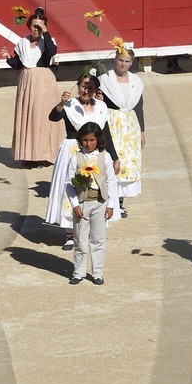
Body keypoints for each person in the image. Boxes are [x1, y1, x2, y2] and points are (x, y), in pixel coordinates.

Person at [43, 75, 116, 250]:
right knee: (71, 188)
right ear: (78, 87)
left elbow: (105, 132)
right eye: (84, 86)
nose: (86, 90)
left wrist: (114, 157)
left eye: (90, 87)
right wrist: (61, 103)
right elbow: (53, 117)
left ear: (95, 90)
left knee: (94, 188)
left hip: (96, 152)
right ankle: (70, 234)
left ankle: (91, 230)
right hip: (72, 151)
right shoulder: (69, 105)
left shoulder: (100, 107)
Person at [61, 122, 118, 285]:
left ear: (98, 140)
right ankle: (78, 272)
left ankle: (97, 273)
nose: (88, 143)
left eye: (92, 140)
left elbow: (111, 182)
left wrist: (110, 205)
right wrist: (75, 205)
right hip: (82, 204)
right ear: (81, 140)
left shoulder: (105, 156)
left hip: (100, 203)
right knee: (80, 239)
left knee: (98, 239)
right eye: (85, 140)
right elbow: (68, 183)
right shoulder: (76, 157)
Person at [2, 8, 61, 165]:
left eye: (40, 26)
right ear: (29, 26)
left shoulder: (47, 41)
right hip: (26, 81)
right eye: (34, 25)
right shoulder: (22, 43)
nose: (37, 29)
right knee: (27, 116)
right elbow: (19, 64)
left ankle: (43, 154)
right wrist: (8, 57)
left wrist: (46, 32)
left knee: (42, 117)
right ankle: (28, 155)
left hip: (43, 81)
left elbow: (52, 51)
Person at [99, 45, 145, 216]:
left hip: (130, 125)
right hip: (111, 122)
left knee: (126, 162)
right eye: (120, 60)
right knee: (111, 160)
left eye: (127, 61)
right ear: (115, 60)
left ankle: (119, 202)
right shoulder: (105, 79)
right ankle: (109, 201)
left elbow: (139, 107)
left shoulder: (136, 82)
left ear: (131, 63)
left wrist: (142, 131)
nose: (123, 64)